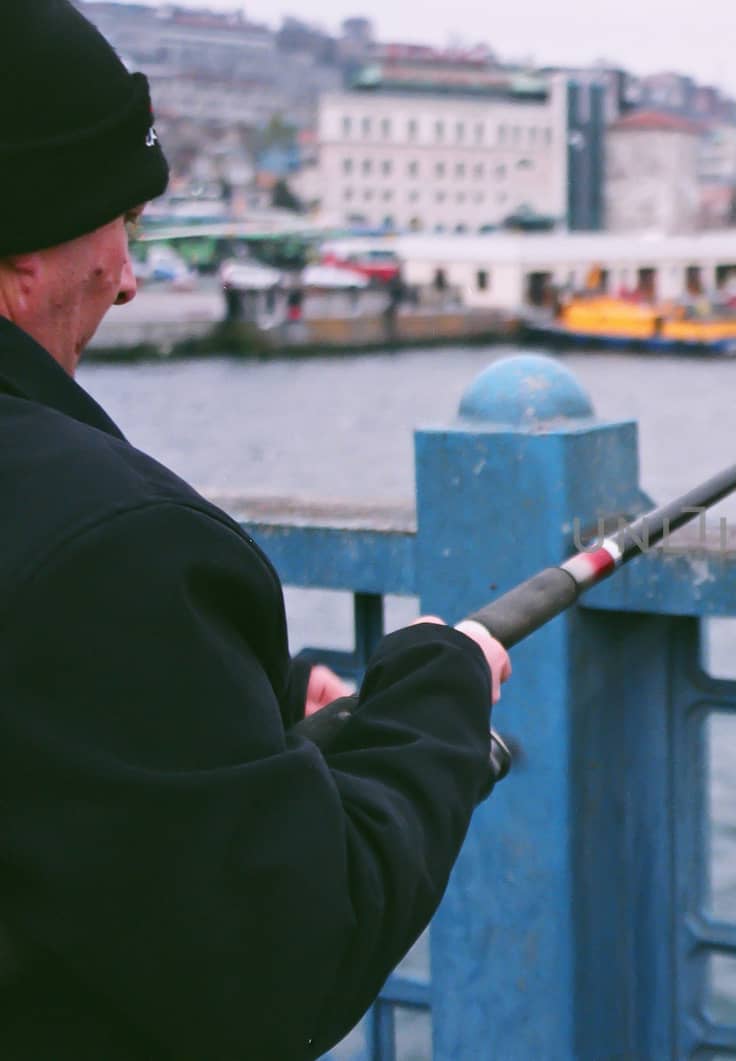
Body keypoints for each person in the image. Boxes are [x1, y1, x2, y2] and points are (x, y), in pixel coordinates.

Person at [0, 3, 513, 1057]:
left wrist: (251, 700)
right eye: (124, 228)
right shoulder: (108, 540)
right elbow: (281, 962)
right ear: (24, 259)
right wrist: (437, 700)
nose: (133, 278)